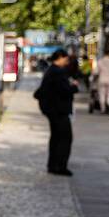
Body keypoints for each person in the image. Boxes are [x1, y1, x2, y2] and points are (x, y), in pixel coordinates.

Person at [34, 48, 78, 176]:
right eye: (66, 58)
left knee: (56, 137)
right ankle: (60, 166)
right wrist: (74, 87)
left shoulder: (51, 70)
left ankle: (53, 165)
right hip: (58, 110)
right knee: (64, 138)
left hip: (53, 109)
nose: (67, 61)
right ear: (60, 58)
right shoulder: (57, 72)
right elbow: (64, 90)